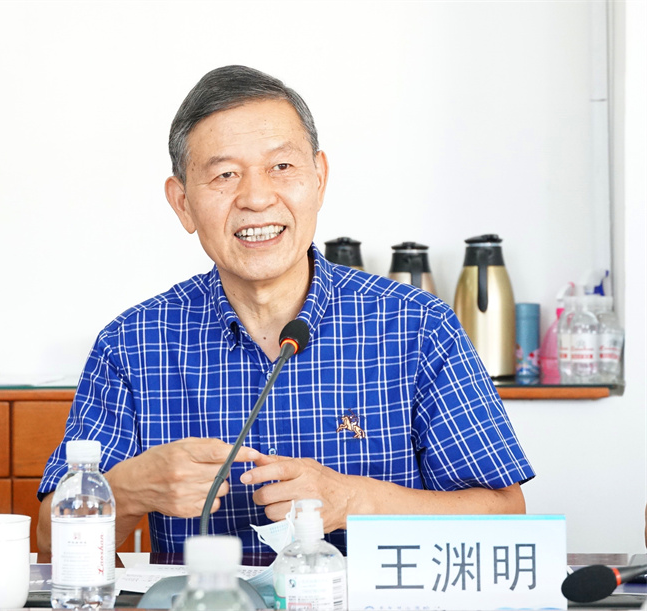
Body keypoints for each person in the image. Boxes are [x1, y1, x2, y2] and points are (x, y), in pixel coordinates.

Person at [37, 65, 535, 555]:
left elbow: (505, 515)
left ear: (319, 178)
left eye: (281, 167)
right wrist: (129, 490)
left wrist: (354, 501)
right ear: (182, 203)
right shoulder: (131, 343)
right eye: (225, 174)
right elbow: (48, 542)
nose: (256, 198)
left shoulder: (418, 325)